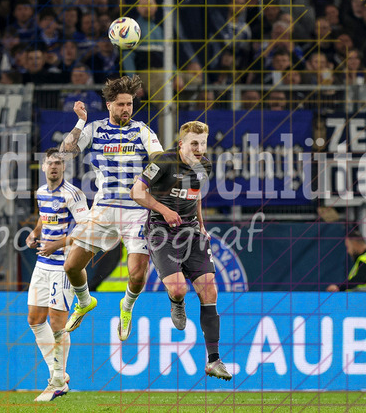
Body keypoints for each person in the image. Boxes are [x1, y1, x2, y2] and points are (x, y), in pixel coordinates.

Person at [59, 75, 164, 341]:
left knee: (137, 275)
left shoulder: (142, 130)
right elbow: (65, 153)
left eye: (129, 104)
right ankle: (85, 301)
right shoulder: (94, 129)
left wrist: (145, 180)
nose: (126, 109)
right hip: (103, 209)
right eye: (120, 104)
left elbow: (160, 161)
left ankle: (126, 306)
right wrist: (80, 122)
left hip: (136, 210)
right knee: (71, 266)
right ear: (109, 105)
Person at [129, 120, 232, 381]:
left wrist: (202, 226)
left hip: (191, 232)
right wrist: (164, 210)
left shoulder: (204, 165)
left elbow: (195, 196)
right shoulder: (163, 162)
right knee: (178, 289)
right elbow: (136, 191)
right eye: (194, 143)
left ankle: (214, 360)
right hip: (161, 231)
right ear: (181, 144)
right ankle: (177, 302)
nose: (199, 149)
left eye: (203, 143)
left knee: (210, 290)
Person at [25, 148, 89, 402]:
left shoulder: (73, 194)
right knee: (34, 319)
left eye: (58, 164)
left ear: (64, 168)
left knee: (57, 324)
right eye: (50, 163)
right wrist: (35, 233)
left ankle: (57, 381)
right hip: (42, 264)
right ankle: (58, 374)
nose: (54, 167)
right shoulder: (41, 192)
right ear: (43, 167)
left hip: (63, 265)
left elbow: (86, 227)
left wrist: (58, 244)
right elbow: (43, 218)